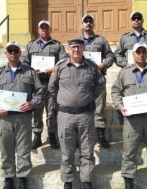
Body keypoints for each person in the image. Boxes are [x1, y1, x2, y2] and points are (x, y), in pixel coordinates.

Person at [0, 41, 44, 189]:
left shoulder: (29, 72)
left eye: (15, 50)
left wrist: (31, 103)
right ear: (6, 54)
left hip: (23, 117)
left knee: (23, 149)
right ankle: (9, 177)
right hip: (4, 118)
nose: (12, 53)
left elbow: (40, 92)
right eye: (9, 51)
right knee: (6, 149)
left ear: (20, 53)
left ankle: (23, 177)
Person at [48, 38, 105, 189]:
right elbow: (52, 88)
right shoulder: (60, 66)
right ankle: (68, 182)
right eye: (73, 47)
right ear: (68, 49)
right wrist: (64, 100)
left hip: (86, 115)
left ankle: (86, 182)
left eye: (79, 47)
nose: (76, 50)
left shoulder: (92, 67)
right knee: (67, 151)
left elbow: (100, 85)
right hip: (65, 115)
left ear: (83, 48)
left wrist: (88, 98)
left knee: (87, 150)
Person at [111, 43, 147, 189]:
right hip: (132, 120)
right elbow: (115, 91)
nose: (141, 54)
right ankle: (129, 184)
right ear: (133, 54)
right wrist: (120, 106)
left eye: (144, 52)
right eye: (138, 52)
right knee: (129, 153)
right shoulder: (125, 72)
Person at [21, 20, 67, 149]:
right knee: (37, 110)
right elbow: (24, 62)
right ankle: (37, 136)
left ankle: (52, 135)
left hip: (52, 83)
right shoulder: (30, 45)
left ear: (50, 29)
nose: (44, 30)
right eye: (42, 28)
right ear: (38, 29)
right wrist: (31, 70)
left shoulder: (58, 45)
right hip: (36, 85)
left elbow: (64, 61)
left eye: (47, 28)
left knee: (52, 110)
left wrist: (53, 69)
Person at [114, 11, 147, 125]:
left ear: (142, 20)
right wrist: (125, 64)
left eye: (139, 18)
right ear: (130, 21)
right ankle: (126, 119)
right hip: (130, 71)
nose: (136, 20)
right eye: (134, 18)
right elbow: (117, 54)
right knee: (126, 91)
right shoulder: (125, 38)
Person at [80, 14, 115, 148]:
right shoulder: (77, 42)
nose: (88, 23)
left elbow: (110, 55)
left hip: (98, 78)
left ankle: (100, 135)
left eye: (90, 21)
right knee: (82, 107)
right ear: (82, 25)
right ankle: (84, 136)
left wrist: (103, 64)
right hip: (82, 79)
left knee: (99, 108)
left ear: (93, 24)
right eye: (85, 21)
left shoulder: (101, 41)